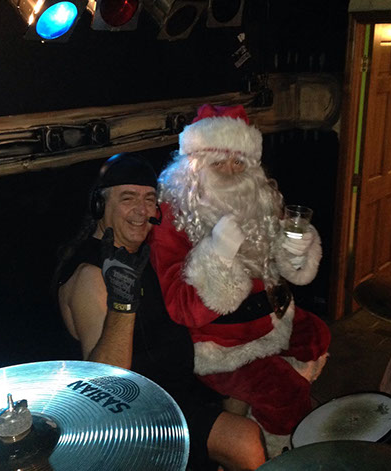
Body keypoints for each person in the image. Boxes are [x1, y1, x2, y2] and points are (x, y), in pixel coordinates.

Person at [54, 152, 266, 471]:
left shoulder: (140, 254)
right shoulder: (90, 275)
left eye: (149, 199)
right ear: (99, 205)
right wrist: (123, 303)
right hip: (138, 407)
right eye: (128, 198)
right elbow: (104, 384)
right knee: (245, 441)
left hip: (178, 386)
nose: (142, 210)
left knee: (244, 386)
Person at [149, 104, 331, 456]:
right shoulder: (173, 214)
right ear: (194, 166)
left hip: (272, 320)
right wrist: (217, 256)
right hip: (219, 345)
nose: (232, 172)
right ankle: (277, 452)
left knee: (317, 336)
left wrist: (296, 252)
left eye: (239, 162)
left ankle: (256, 416)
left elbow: (281, 262)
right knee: (287, 394)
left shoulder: (258, 199)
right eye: (219, 163)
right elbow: (180, 307)